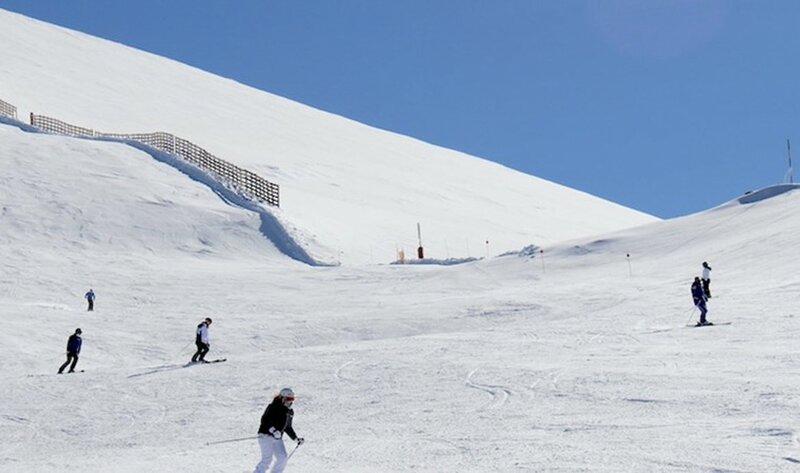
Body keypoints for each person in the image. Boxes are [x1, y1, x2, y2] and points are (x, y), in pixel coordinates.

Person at [254, 387, 304, 473]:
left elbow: (288, 427)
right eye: (289, 399)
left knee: (282, 457)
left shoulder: (289, 412)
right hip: (266, 436)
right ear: (282, 398)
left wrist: (295, 439)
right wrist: (273, 430)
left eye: (292, 399)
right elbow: (265, 420)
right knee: (267, 459)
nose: (290, 401)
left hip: (277, 438)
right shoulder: (273, 407)